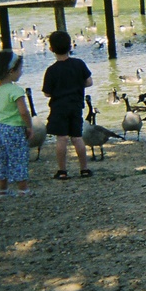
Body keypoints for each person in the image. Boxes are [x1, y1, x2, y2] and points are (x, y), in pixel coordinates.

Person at [42, 30, 93, 180]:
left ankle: (62, 171)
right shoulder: (79, 64)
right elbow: (89, 81)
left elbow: (47, 93)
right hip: (76, 106)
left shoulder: (51, 71)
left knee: (61, 139)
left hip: (58, 108)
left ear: (51, 49)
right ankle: (84, 169)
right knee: (77, 138)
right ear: (71, 46)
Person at [0, 50, 33, 197]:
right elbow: (23, 111)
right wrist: (29, 126)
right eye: (20, 70)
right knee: (19, 157)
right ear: (12, 71)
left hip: (1, 128)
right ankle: (23, 189)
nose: (21, 72)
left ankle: (1, 190)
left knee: (2, 159)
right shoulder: (15, 90)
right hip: (15, 129)